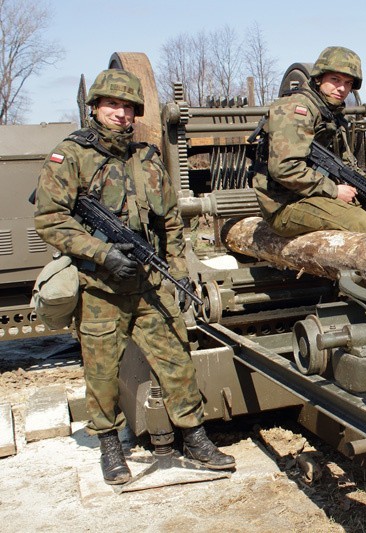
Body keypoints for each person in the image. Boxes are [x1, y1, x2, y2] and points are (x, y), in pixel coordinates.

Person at [34, 69, 235, 485]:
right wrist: (102, 253)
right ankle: (110, 447)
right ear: (95, 108)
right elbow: (50, 219)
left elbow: (171, 224)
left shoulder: (146, 157)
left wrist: (176, 273)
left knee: (177, 360)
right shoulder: (69, 155)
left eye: (127, 108)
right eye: (112, 105)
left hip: (149, 282)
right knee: (102, 372)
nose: (120, 114)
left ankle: (195, 438)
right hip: (99, 288)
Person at [253, 46, 366, 238]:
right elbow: (285, 168)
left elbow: (348, 166)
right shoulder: (295, 108)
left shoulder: (332, 114)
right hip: (283, 204)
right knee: (359, 222)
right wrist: (333, 190)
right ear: (319, 78)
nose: (341, 88)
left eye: (348, 83)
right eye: (335, 80)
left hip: (316, 195)